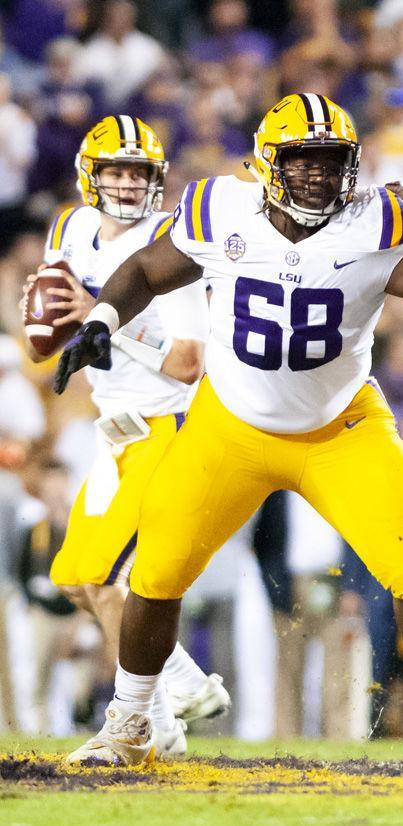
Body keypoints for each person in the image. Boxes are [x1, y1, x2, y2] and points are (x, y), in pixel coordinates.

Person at [53, 92, 403, 766]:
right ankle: (128, 721)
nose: (317, 175)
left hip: (342, 424)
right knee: (157, 571)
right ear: (270, 163)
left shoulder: (374, 220)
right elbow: (146, 269)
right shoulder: (220, 208)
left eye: (331, 162)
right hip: (232, 425)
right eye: (302, 161)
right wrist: (101, 319)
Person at [21, 115, 230, 755]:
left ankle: (153, 721)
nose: (127, 183)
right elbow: (47, 315)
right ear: (92, 175)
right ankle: (175, 703)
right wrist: (45, 309)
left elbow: (188, 360)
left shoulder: (172, 244)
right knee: (77, 579)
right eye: (115, 170)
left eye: (138, 173)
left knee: (111, 582)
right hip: (112, 433)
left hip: (167, 425)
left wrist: (105, 322)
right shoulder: (71, 228)